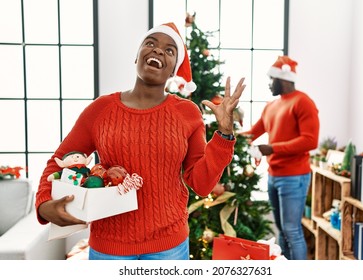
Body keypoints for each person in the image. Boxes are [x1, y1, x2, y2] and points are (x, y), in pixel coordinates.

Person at [35, 22, 245, 260]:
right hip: (109, 249)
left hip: (169, 248)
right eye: (150, 43)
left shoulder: (187, 112)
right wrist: (43, 202)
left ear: (174, 70)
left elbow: (201, 183)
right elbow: (59, 161)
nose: (157, 51)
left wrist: (225, 134)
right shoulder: (100, 109)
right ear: (137, 56)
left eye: (169, 50)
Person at [240, 55, 319, 260]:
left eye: (270, 80)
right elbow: (252, 133)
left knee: (292, 231)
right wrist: (221, 132)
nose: (268, 85)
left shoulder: (303, 102)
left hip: (294, 177)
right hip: (273, 176)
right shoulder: (271, 106)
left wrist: (271, 148)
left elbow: (310, 141)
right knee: (282, 231)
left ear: (282, 79)